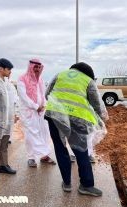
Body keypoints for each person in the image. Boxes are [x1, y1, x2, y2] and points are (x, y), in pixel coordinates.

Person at [45, 62, 108, 197]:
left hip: (54, 116)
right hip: (77, 119)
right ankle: (86, 185)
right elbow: (97, 104)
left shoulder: (59, 75)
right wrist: (102, 119)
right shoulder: (88, 80)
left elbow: (47, 94)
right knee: (81, 151)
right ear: (87, 73)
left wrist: (61, 106)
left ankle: (67, 184)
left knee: (60, 149)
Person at [17, 58, 56, 167]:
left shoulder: (41, 80)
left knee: (44, 133)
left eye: (39, 67)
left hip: (41, 111)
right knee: (31, 135)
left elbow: (43, 95)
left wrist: (44, 105)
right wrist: (35, 106)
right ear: (30, 67)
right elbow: (23, 96)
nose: (38, 69)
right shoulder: (22, 79)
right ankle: (31, 158)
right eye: (35, 67)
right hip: (29, 112)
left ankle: (44, 156)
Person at [6, 78, 19, 144]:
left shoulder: (11, 86)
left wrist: (17, 114)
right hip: (0, 112)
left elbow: (16, 101)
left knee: (10, 126)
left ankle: (8, 139)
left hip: (10, 111)